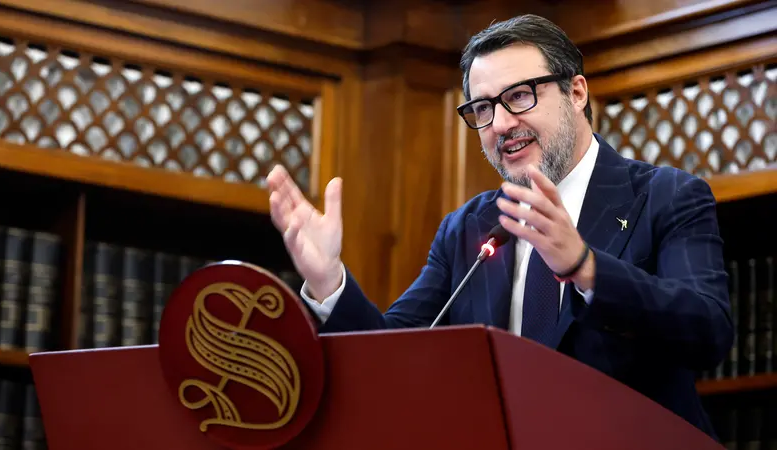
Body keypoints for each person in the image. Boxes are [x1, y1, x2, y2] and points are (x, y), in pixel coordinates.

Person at [266, 14, 733, 440]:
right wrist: (328, 281)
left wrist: (586, 267)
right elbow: (392, 360)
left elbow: (708, 330)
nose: (502, 124)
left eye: (519, 96)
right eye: (483, 108)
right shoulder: (467, 229)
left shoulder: (666, 196)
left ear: (576, 93)